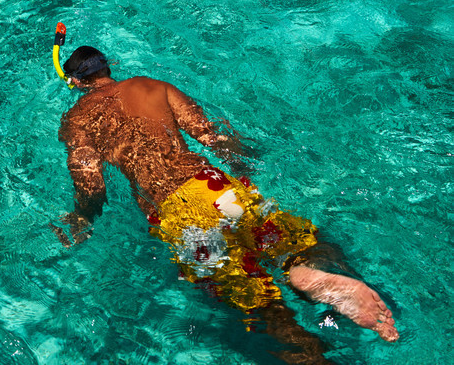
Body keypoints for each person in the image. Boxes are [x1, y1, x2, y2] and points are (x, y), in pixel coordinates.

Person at [56, 46, 398, 361]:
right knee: (295, 242)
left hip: (174, 211)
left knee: (261, 306)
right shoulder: (151, 86)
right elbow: (212, 136)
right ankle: (302, 270)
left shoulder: (77, 120)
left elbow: (92, 187)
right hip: (215, 186)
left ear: (74, 81)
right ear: (109, 67)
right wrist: (246, 162)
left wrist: (82, 217)